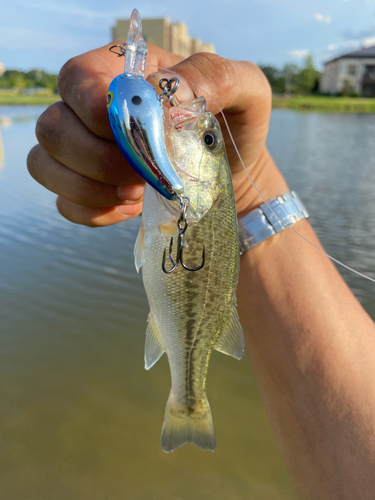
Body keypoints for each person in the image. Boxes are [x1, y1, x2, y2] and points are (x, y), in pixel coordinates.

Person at [27, 43, 375, 499]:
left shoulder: (191, 197)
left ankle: (187, 401)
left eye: (208, 140)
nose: (198, 124)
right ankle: (188, 398)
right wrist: (251, 189)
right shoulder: (195, 197)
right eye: (212, 141)